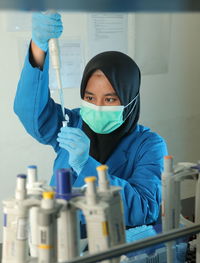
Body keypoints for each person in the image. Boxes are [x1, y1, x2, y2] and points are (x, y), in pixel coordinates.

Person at [14, 12, 168, 230]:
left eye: (110, 99)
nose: (97, 106)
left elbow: (144, 208)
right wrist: (38, 47)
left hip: (112, 250)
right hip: (59, 237)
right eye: (89, 97)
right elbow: (29, 111)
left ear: (131, 101)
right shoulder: (73, 122)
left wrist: (85, 164)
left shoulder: (149, 145)